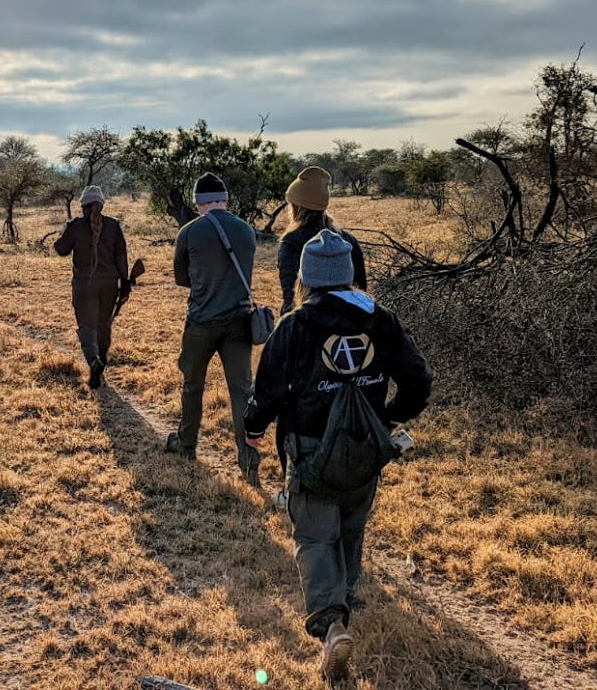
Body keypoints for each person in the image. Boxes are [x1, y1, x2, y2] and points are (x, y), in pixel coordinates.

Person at [244, 229, 431, 682]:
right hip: (364, 449)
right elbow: (418, 382)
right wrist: (385, 421)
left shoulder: (295, 325)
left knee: (313, 535)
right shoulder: (380, 319)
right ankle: (347, 594)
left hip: (310, 449)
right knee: (351, 524)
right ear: (348, 274)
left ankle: (332, 623)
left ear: (306, 276)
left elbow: (267, 391)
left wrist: (252, 427)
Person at [165, 172, 262, 485]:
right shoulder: (246, 230)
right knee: (242, 391)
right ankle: (248, 460)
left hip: (202, 322)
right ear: (226, 199)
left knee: (193, 383)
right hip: (239, 322)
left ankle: (187, 444)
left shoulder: (190, 232)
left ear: (197, 202)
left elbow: (181, 279)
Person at [53, 185, 131, 389]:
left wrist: (65, 232)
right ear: (102, 205)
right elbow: (121, 256)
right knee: (104, 324)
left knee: (87, 325)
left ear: (82, 206)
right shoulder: (113, 226)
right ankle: (101, 363)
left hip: (83, 284)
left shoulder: (75, 226)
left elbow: (61, 250)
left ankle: (93, 361)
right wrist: (125, 283)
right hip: (110, 284)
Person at [277, 166, 366, 315]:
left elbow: (291, 298)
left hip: (308, 326)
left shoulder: (291, 242)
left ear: (296, 207)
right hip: (349, 324)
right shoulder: (347, 240)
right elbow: (360, 290)